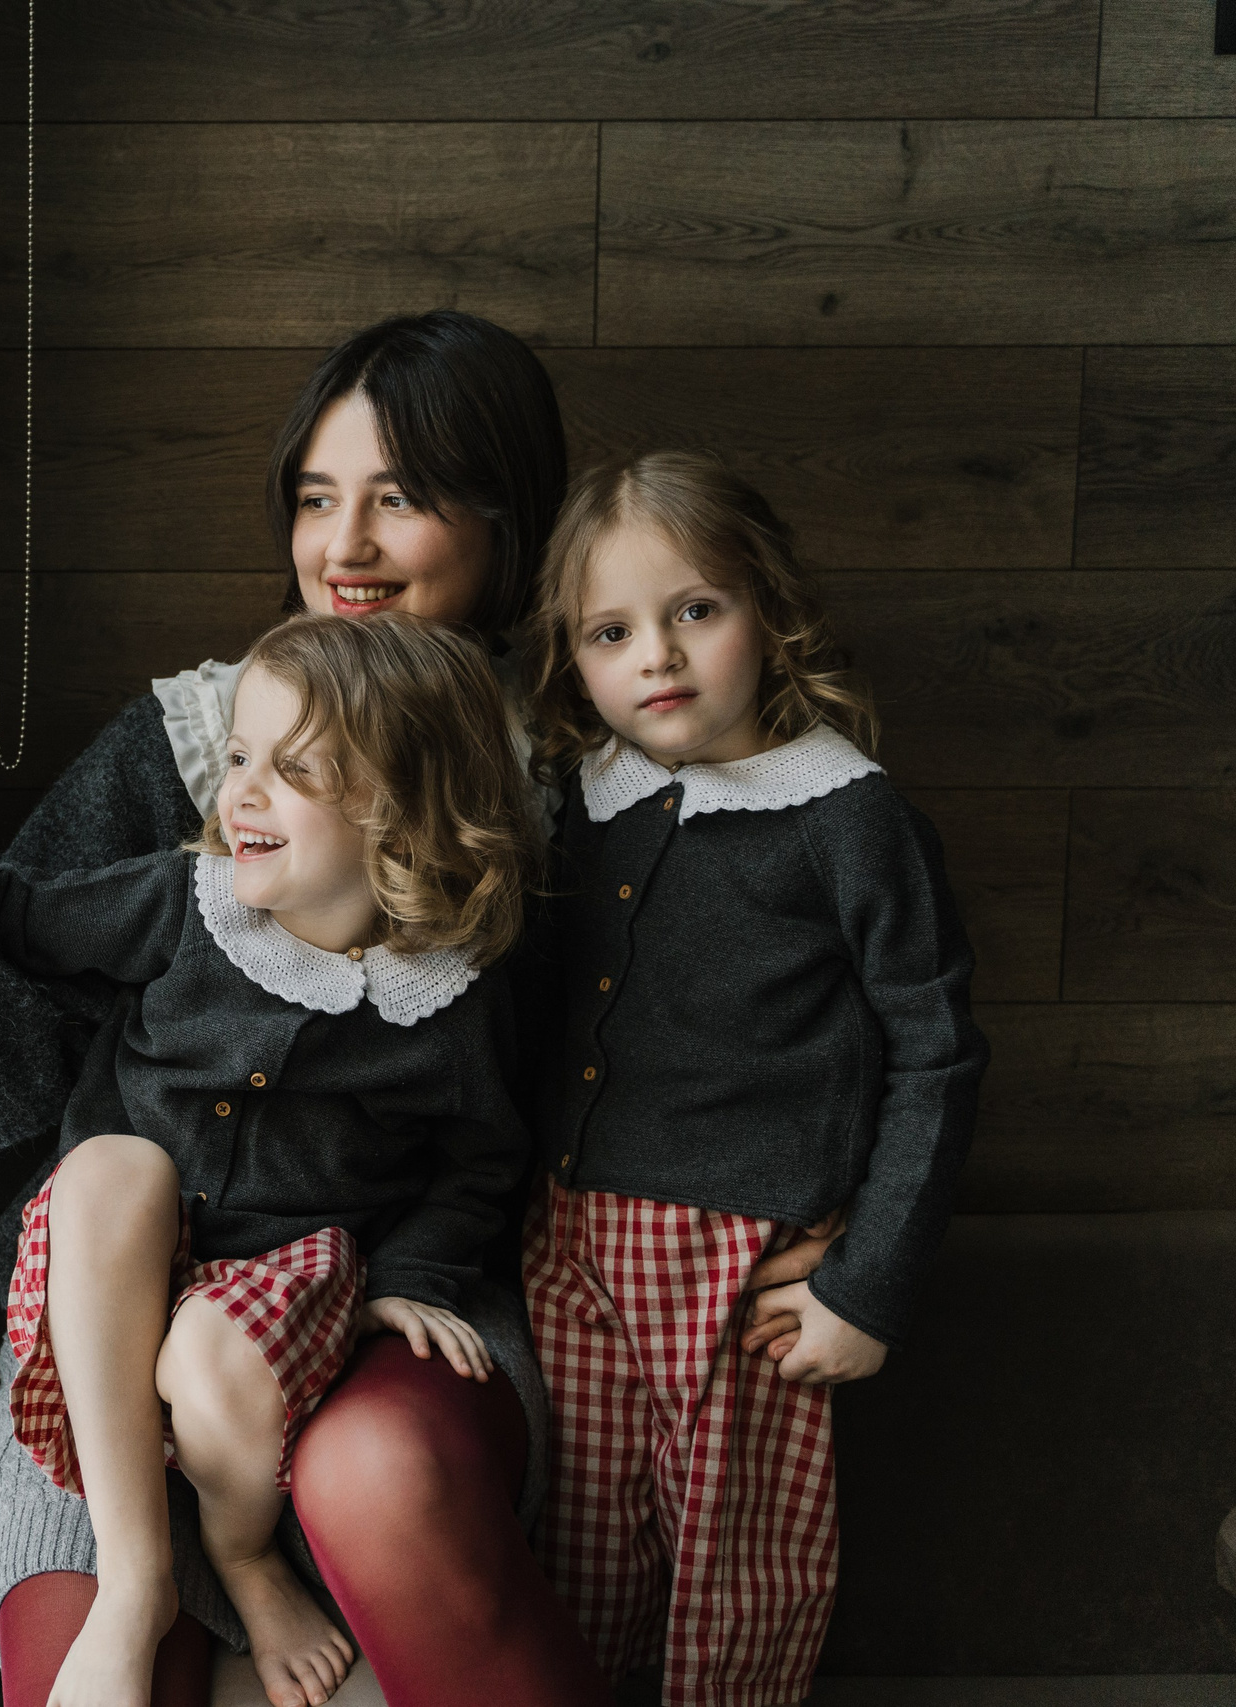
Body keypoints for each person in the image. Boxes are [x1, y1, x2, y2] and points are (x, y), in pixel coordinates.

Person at [0, 312, 656, 1706]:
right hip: (114, 1320)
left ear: (507, 520)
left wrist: (797, 1211)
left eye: (400, 497)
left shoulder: (575, 778)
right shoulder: (196, 748)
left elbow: (592, 1085)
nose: (345, 545)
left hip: (389, 1304)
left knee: (378, 1474)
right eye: (316, 498)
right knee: (88, 1657)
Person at [518, 450, 988, 1705]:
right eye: (610, 633)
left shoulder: (848, 818)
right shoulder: (581, 803)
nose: (656, 657)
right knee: (576, 1545)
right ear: (573, 660)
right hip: (567, 1242)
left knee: (735, 1566)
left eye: (695, 610)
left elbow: (937, 1052)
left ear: (768, 612)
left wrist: (867, 1283)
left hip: (743, 1268)